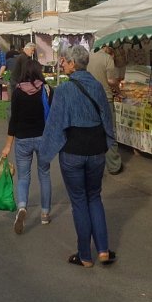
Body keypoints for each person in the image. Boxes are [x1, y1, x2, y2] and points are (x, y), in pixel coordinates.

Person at [40, 44, 116, 268]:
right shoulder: (98, 87)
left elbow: (54, 125)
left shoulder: (63, 90)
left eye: (64, 60)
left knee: (80, 201)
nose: (62, 63)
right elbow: (106, 118)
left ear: (73, 64)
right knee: (95, 197)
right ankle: (103, 249)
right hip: (96, 150)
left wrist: (45, 154)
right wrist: (108, 143)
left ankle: (85, 255)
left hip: (73, 151)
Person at [0, 64, 52, 234]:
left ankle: (22, 207)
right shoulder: (46, 90)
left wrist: (8, 145)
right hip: (43, 138)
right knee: (44, 175)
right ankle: (45, 214)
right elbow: (52, 115)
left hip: (22, 139)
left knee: (23, 177)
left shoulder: (18, 92)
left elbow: (13, 120)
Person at [87, 43, 123, 174]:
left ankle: (92, 164)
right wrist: (118, 89)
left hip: (89, 98)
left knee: (92, 131)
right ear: (109, 49)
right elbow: (111, 80)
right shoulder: (107, 59)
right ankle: (113, 166)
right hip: (105, 99)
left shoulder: (88, 56)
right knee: (109, 131)